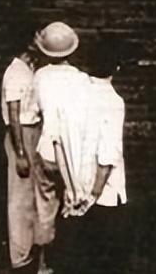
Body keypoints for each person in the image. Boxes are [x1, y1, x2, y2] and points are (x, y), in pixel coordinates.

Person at [49, 41, 129, 274]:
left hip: (73, 192)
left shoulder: (68, 97)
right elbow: (107, 156)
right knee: (103, 261)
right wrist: (92, 195)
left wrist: (71, 188)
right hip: (103, 196)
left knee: (74, 261)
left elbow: (57, 143)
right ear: (117, 67)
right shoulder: (113, 102)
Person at [32, 22, 87, 269]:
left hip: (46, 149)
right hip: (72, 151)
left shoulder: (39, 76)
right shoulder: (81, 80)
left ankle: (44, 264)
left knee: (45, 206)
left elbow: (33, 112)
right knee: (73, 202)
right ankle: (69, 260)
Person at [1, 30, 48, 273]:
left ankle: (32, 250)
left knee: (34, 195)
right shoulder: (16, 72)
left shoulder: (31, 69)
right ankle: (19, 257)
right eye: (38, 36)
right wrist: (20, 152)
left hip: (34, 132)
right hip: (22, 133)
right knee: (20, 197)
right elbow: (14, 114)